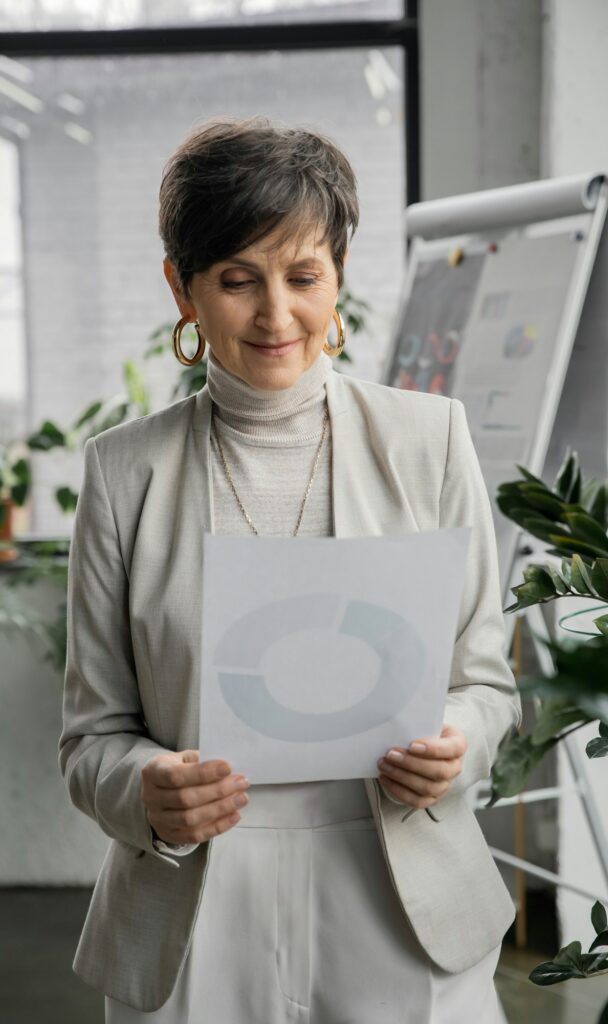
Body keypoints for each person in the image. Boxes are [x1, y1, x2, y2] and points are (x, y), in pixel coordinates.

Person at [59, 116, 521, 1023]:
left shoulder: (430, 442)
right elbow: (90, 740)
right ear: (181, 291)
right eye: (238, 280)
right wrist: (146, 792)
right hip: (197, 902)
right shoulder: (125, 471)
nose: (277, 315)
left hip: (400, 882)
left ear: (338, 277)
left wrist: (459, 744)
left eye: (303, 276)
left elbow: (487, 682)